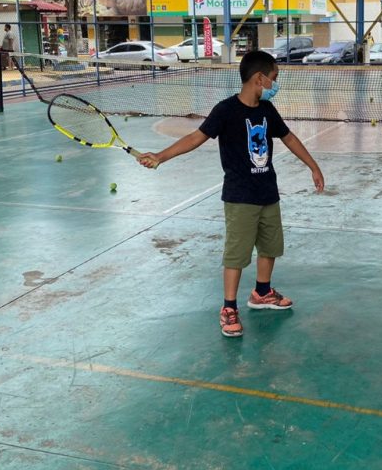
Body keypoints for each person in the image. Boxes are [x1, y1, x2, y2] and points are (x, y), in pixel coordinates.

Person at [137, 51, 325, 337]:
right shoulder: (225, 110)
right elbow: (195, 137)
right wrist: (161, 156)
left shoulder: (267, 110)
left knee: (270, 247)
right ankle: (228, 307)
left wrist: (313, 166)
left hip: (268, 192)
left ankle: (262, 292)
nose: (275, 84)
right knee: (236, 254)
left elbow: (289, 137)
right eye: (274, 78)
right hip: (239, 196)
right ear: (259, 79)